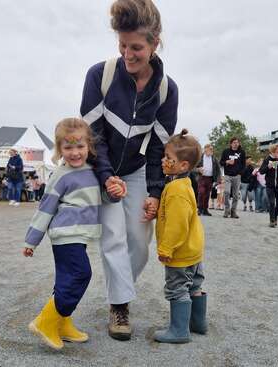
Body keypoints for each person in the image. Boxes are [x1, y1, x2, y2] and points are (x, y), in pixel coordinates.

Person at [80, 0, 178, 340]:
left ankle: (118, 290)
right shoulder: (100, 75)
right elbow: (92, 137)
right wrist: (106, 176)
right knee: (113, 237)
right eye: (122, 46)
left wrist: (154, 192)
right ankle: (119, 306)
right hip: (102, 167)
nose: (128, 54)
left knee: (138, 241)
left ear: (154, 43)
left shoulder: (167, 90)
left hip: (137, 170)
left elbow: (157, 148)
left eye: (136, 47)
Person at [23, 118, 126, 350]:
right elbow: (45, 208)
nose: (75, 153)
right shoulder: (60, 176)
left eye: (80, 146)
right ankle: (45, 321)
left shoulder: (95, 171)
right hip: (64, 234)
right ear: (59, 150)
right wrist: (32, 240)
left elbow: (106, 198)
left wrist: (115, 192)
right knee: (81, 274)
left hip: (80, 235)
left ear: (89, 146)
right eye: (68, 148)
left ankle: (62, 323)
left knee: (64, 281)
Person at [154, 129, 206, 344]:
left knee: (177, 288)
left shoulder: (175, 188)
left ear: (183, 165)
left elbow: (176, 224)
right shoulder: (185, 184)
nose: (163, 161)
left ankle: (179, 331)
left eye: (169, 158)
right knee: (194, 285)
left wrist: (166, 248)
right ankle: (197, 323)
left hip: (180, 251)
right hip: (194, 249)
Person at [259, 144, 278, 228]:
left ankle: (275, 215)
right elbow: (261, 171)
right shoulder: (268, 159)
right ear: (272, 152)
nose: (277, 153)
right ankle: (272, 220)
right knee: (272, 203)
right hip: (270, 186)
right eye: (275, 152)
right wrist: (268, 167)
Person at [220, 137, 246, 218]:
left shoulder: (242, 152)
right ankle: (226, 209)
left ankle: (233, 211)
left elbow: (243, 164)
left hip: (237, 176)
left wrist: (240, 174)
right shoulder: (226, 151)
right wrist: (226, 162)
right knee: (226, 192)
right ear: (231, 143)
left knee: (235, 195)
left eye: (237, 142)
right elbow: (221, 162)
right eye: (234, 142)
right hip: (227, 175)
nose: (236, 144)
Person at [196, 144, 220, 216]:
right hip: (201, 178)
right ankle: (199, 209)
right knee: (201, 192)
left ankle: (205, 209)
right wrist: (198, 169)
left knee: (207, 194)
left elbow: (218, 170)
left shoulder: (214, 159)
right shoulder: (199, 157)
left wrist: (218, 179)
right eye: (210, 149)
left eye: (212, 149)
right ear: (205, 149)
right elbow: (193, 167)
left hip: (210, 178)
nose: (212, 150)